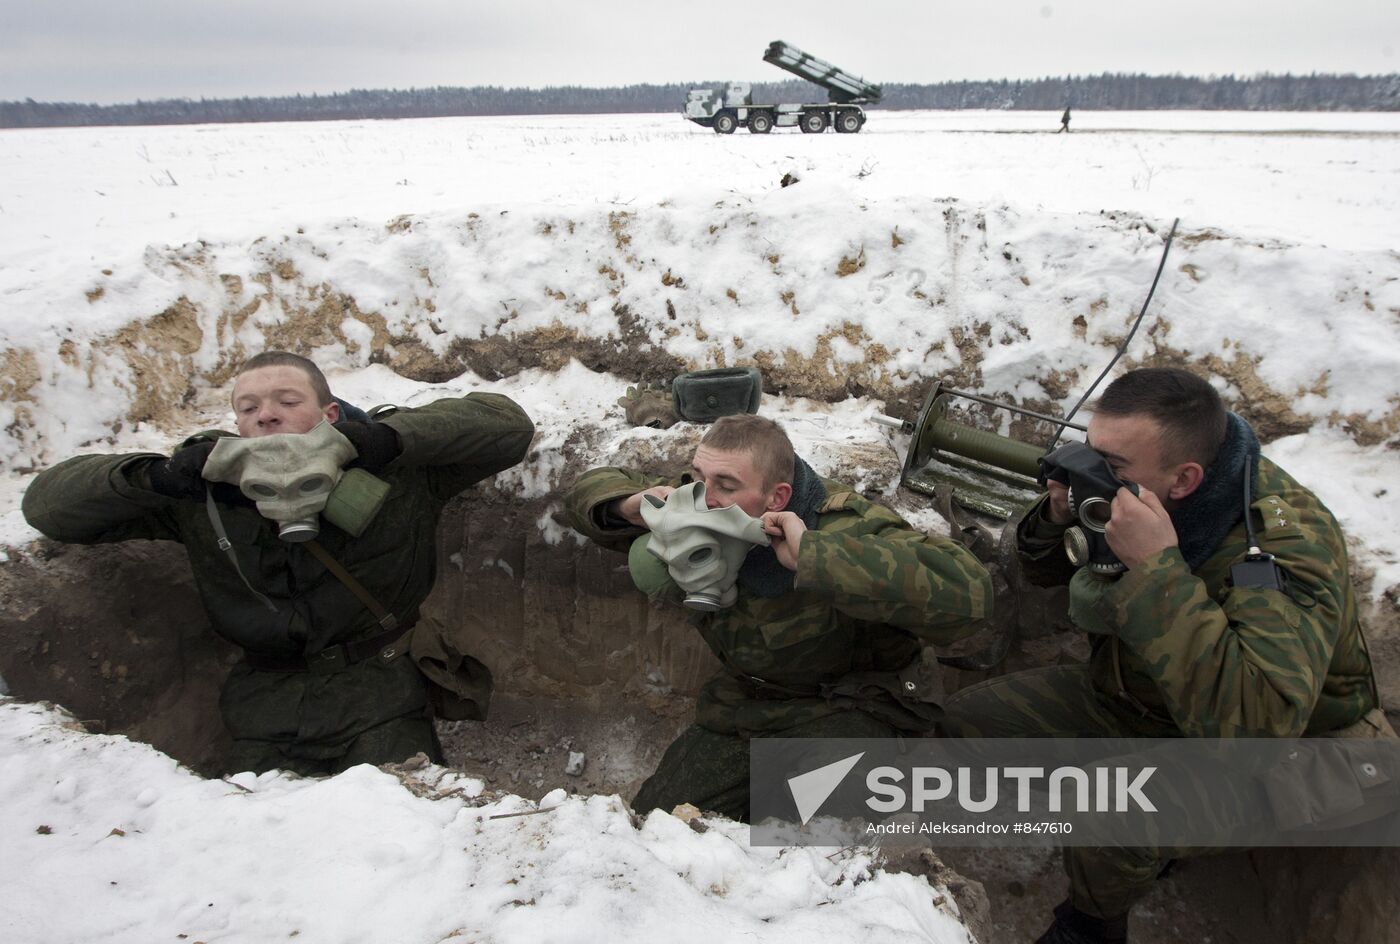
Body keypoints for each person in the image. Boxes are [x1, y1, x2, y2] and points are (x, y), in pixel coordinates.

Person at [941, 367, 1381, 944]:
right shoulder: (1134, 489)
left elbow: (1256, 732)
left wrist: (1155, 570)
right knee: (967, 723)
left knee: (1107, 809)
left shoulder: (1275, 546)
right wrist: (1056, 513)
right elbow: (1042, 572)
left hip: (1300, 752)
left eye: (1112, 467)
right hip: (1151, 701)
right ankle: (1131, 837)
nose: (1095, 472)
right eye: (1091, 452)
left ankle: (1092, 925)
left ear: (1185, 478)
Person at [22, 351, 534, 776]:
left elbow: (506, 425)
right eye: (248, 408)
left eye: (288, 402)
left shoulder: (397, 474)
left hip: (378, 697)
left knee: (393, 835)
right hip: (260, 709)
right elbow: (48, 508)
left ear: (329, 414)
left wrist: (384, 439)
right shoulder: (204, 497)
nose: (266, 415)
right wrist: (157, 477)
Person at [563, 413, 993, 821]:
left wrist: (816, 558)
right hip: (749, 706)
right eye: (698, 477)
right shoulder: (705, 500)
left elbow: (970, 595)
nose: (705, 497)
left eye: (725, 486)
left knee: (795, 846)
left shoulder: (842, 526)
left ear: (777, 497)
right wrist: (626, 505)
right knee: (656, 824)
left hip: (852, 709)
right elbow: (586, 488)